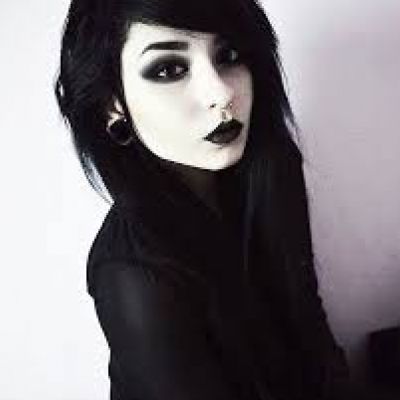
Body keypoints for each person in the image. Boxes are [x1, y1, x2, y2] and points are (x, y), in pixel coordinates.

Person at [54, 0, 363, 399]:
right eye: (169, 69)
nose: (221, 92)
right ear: (113, 104)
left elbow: (309, 319)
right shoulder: (133, 270)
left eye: (229, 55)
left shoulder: (273, 169)